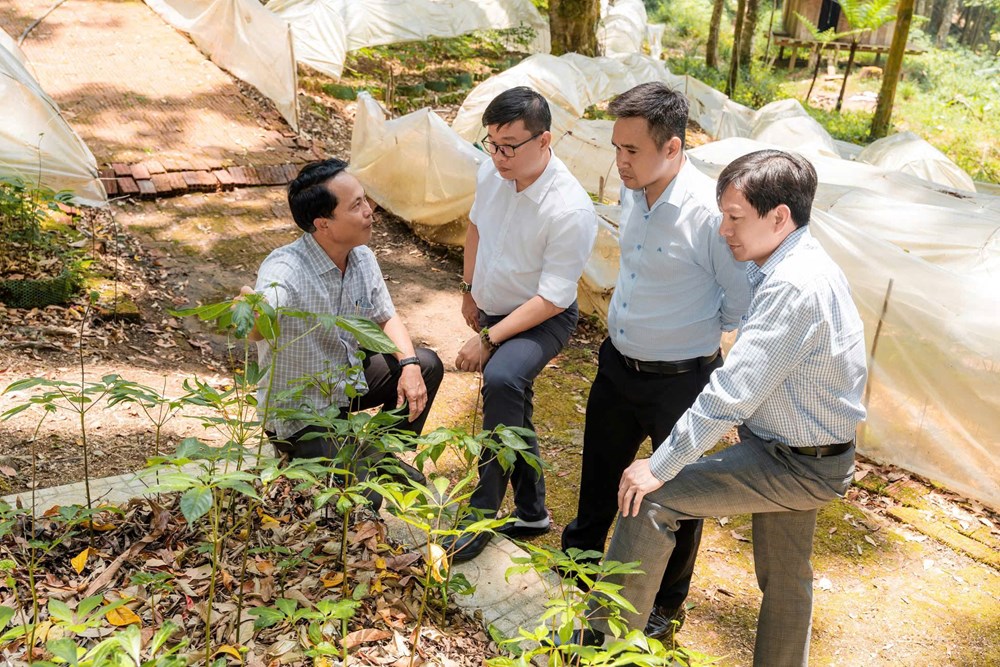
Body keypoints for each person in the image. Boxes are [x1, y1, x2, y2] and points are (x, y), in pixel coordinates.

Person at [581, 149, 867, 667]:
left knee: (649, 500)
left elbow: (731, 393)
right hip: (809, 450)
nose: (723, 230)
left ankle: (601, 650)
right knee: (786, 580)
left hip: (797, 462)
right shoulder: (797, 262)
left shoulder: (793, 285)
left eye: (735, 218)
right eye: (722, 215)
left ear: (780, 216)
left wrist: (659, 465)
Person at [560, 81, 750, 640]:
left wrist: (678, 337)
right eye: (616, 147)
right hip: (618, 366)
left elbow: (737, 303)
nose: (619, 161)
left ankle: (666, 602)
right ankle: (579, 571)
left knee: (675, 495)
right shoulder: (632, 191)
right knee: (598, 474)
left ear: (672, 148)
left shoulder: (708, 214)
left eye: (632, 150)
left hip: (680, 381)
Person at [448, 86, 598, 562]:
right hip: (491, 307)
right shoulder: (492, 173)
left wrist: (488, 338)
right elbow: (474, 228)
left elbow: (554, 297)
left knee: (502, 376)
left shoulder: (569, 207)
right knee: (511, 403)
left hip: (541, 318)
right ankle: (532, 511)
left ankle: (483, 512)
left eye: (509, 145)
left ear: (544, 140)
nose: (498, 155)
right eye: (491, 142)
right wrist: (469, 289)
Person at [244, 158, 444, 507]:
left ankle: (379, 454)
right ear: (324, 224)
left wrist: (409, 366)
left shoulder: (362, 256)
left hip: (345, 383)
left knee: (426, 364)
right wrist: (251, 309)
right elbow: (259, 326)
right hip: (300, 413)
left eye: (365, 199)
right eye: (356, 205)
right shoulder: (286, 268)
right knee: (364, 500)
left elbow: (386, 316)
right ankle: (356, 462)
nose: (369, 210)